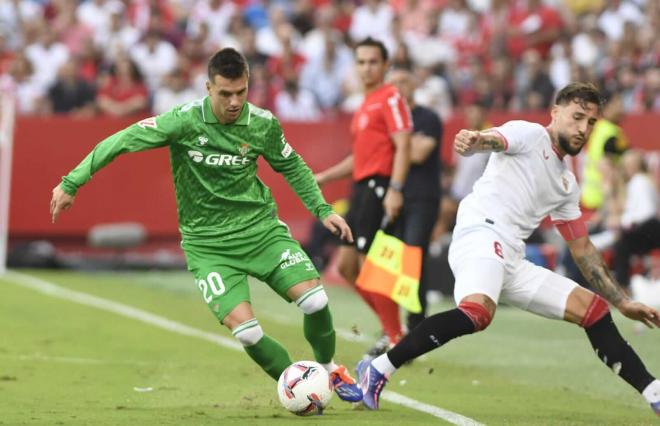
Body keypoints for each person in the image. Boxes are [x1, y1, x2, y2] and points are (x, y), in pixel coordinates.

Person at [49, 48, 363, 403]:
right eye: (225, 93)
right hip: (208, 246)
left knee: (316, 301)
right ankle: (300, 388)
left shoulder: (262, 123)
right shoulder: (183, 121)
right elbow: (122, 141)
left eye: (241, 92)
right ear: (208, 88)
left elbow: (292, 166)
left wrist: (323, 210)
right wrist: (71, 182)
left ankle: (329, 369)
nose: (234, 102)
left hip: (261, 232)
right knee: (247, 332)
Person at [355, 82, 660, 416]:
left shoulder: (566, 184)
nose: (583, 129)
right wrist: (474, 140)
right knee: (478, 312)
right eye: (577, 118)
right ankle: (379, 368)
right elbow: (493, 139)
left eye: (590, 123)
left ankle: (654, 392)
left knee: (594, 311)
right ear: (555, 113)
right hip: (480, 235)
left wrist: (623, 301)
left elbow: (583, 249)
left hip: (511, 256)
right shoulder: (529, 135)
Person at [315, 37, 412, 355]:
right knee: (345, 267)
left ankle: (395, 335)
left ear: (385, 66)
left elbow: (403, 144)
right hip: (361, 188)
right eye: (361, 62)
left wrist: (395, 189)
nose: (366, 67)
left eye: (373, 61)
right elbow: (360, 156)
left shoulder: (390, 97)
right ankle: (392, 330)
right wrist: (326, 176)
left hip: (380, 187)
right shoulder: (364, 105)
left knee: (371, 264)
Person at [387, 67, 442, 333]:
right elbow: (411, 149)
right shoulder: (388, 119)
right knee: (393, 260)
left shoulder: (428, 117)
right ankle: (395, 324)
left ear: (413, 86)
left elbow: (419, 154)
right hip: (394, 197)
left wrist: (392, 148)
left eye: (403, 82)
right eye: (393, 83)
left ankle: (415, 323)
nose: (398, 87)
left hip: (422, 198)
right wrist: (405, 147)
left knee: (413, 255)